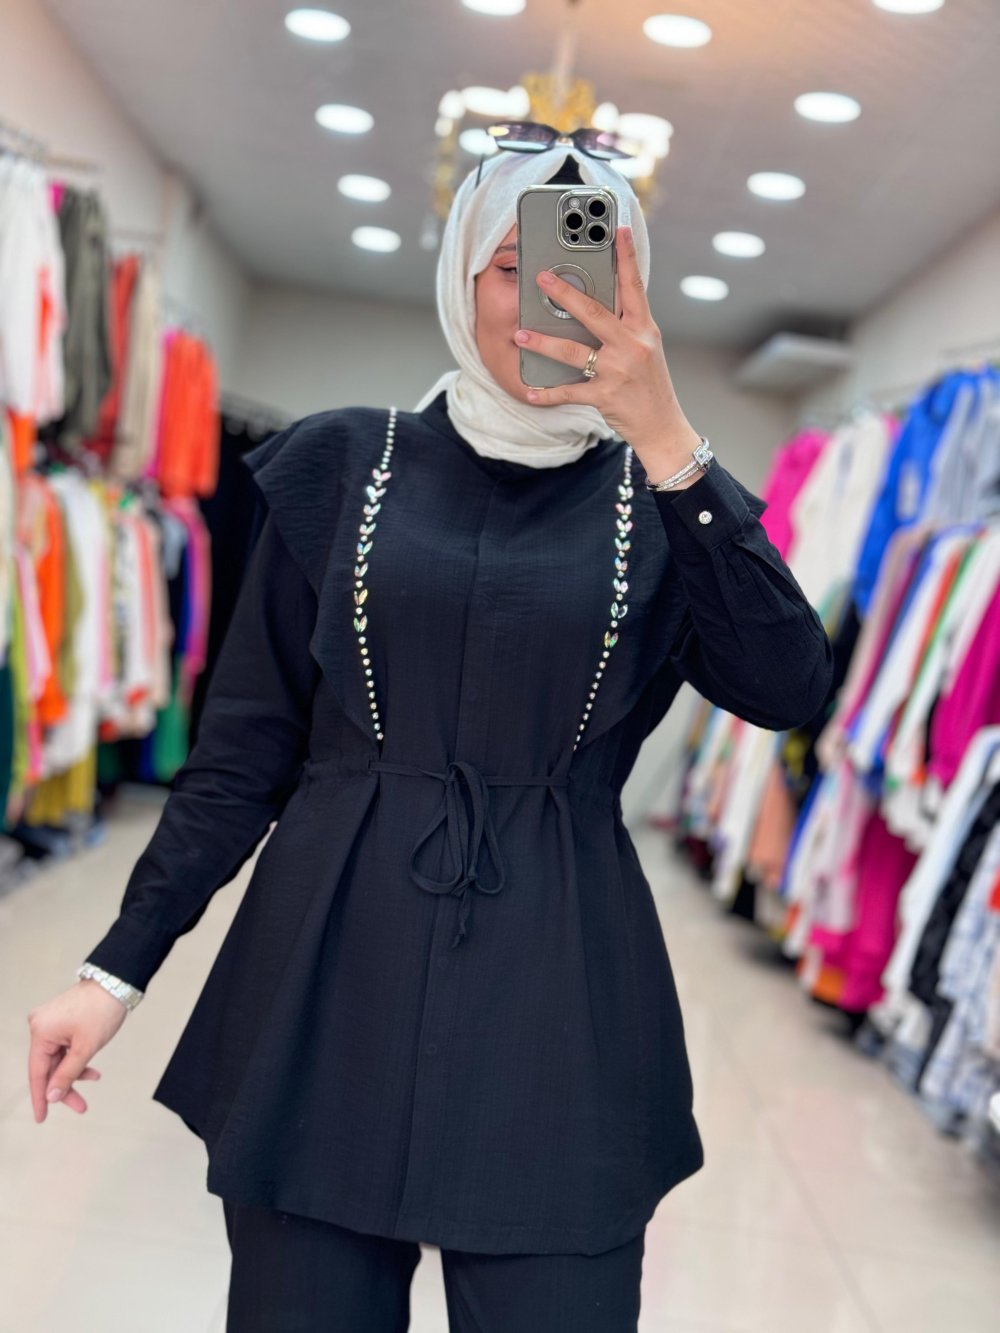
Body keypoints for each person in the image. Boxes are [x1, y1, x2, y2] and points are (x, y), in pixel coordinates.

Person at [26, 145, 834, 1330]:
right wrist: (116, 969)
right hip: (326, 976)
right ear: (460, 275)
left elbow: (788, 685)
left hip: (559, 987)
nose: (548, 299)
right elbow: (243, 755)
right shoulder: (341, 464)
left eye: (587, 271)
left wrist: (669, 438)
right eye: (513, 265)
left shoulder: (665, 504)